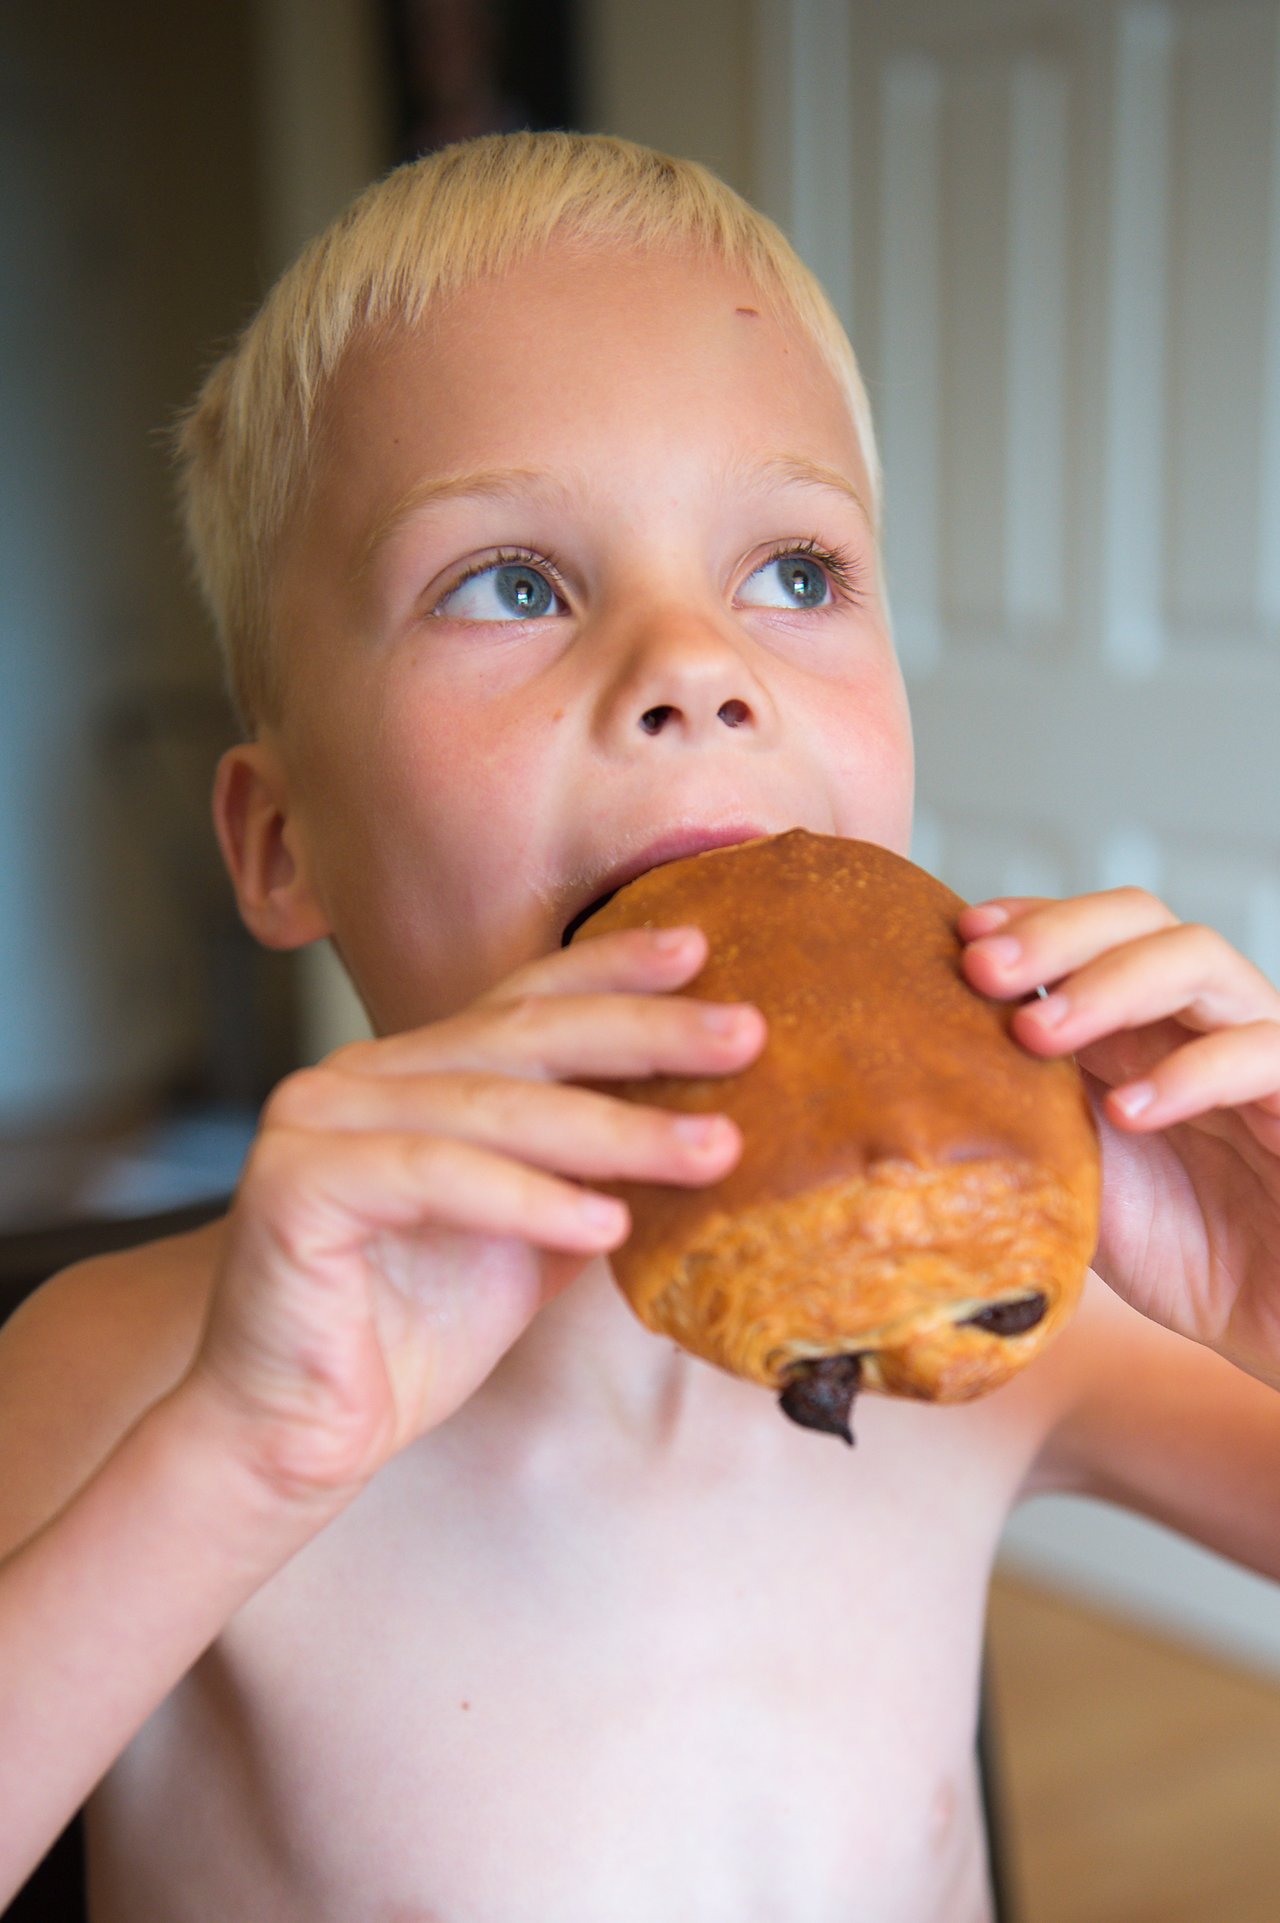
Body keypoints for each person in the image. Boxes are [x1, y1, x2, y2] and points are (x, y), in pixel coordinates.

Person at [2, 130, 1279, 1923]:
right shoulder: (131, 1385)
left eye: (796, 571)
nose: (698, 664)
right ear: (284, 846)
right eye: (510, 582)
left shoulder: (991, 1309)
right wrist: (238, 1465)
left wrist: (1265, 1304)